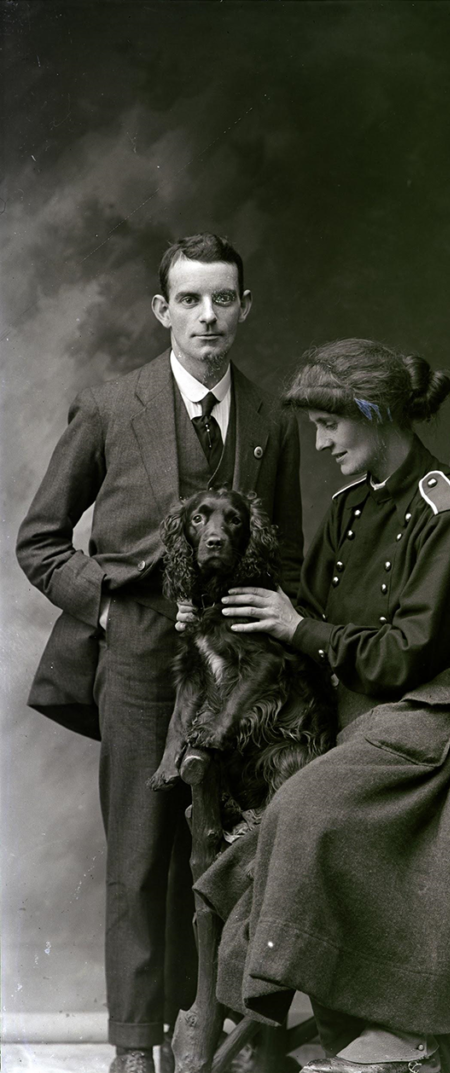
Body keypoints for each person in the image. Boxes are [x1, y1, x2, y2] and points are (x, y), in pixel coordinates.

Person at [16, 233, 304, 1073]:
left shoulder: (274, 418)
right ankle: (135, 1045)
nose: (207, 316)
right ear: (162, 310)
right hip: (140, 657)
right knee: (142, 849)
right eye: (190, 300)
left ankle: (231, 1032)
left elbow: (280, 549)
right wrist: (106, 608)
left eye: (223, 299)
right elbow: (38, 542)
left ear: (244, 307)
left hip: (245, 663)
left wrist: (276, 614)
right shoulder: (111, 406)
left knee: (242, 844)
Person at [185, 338, 450, 1073]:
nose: (321, 442)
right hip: (359, 715)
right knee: (285, 810)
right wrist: (218, 624)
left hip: (431, 711)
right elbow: (314, 621)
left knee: (301, 808)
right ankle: (279, 1014)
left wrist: (302, 627)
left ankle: (374, 1023)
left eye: (332, 424)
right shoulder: (348, 507)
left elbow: (403, 654)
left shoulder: (445, 511)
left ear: (376, 413)